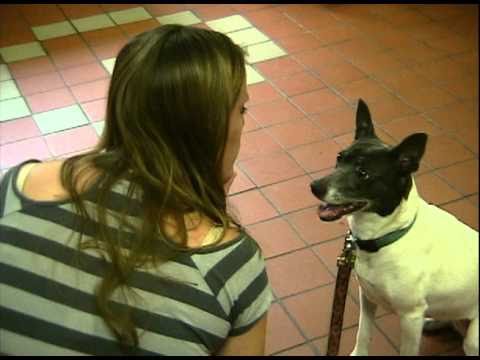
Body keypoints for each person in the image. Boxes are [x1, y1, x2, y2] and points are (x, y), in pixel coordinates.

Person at [0, 24, 273, 356]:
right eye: (241, 110)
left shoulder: (17, 189)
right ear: (209, 129)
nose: (244, 123)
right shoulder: (230, 268)